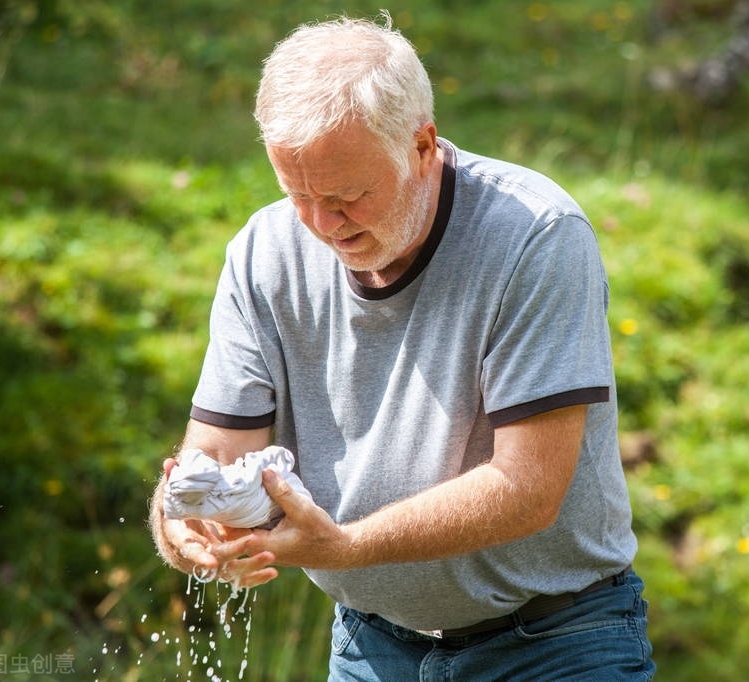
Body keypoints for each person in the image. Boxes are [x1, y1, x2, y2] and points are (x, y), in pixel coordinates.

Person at [149, 13, 655, 681]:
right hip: (370, 648)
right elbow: (214, 454)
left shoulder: (533, 235)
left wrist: (349, 546)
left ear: (422, 146)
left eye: (348, 196)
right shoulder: (264, 252)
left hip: (555, 643)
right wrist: (183, 522)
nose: (323, 225)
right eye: (298, 195)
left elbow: (528, 488)